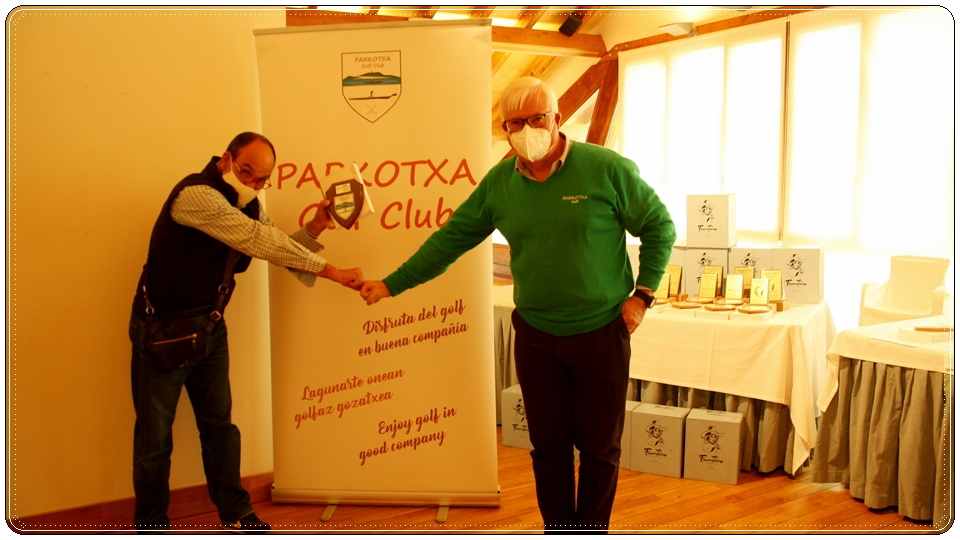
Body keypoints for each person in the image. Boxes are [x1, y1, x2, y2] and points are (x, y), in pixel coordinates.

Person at [360, 77, 676, 532]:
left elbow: (660, 226)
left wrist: (642, 296)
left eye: (537, 119)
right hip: (536, 337)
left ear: (557, 118)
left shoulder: (606, 168)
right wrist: (393, 284)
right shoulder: (500, 184)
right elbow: (451, 240)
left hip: (601, 333)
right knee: (548, 450)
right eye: (515, 123)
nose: (528, 130)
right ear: (504, 128)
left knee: (599, 450)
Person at [129, 132, 363, 532]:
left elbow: (279, 249)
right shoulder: (195, 195)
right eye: (246, 172)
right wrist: (333, 273)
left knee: (220, 429)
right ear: (226, 160)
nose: (254, 184)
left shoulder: (247, 203)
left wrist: (316, 227)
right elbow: (258, 239)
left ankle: (236, 514)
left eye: (262, 179)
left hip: (209, 330)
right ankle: (151, 527)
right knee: (155, 442)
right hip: (161, 334)